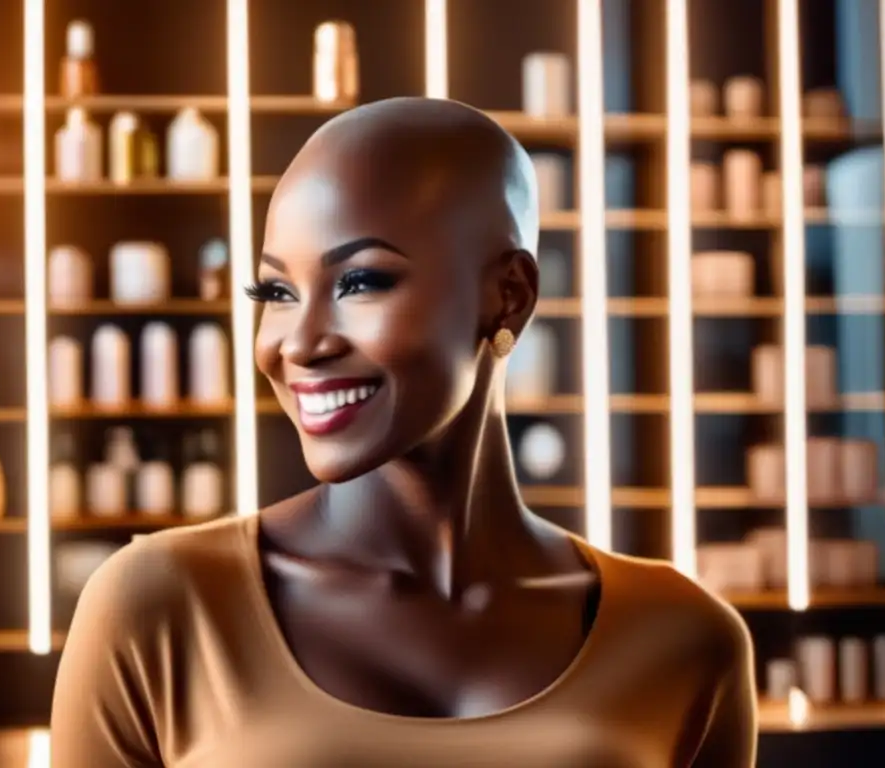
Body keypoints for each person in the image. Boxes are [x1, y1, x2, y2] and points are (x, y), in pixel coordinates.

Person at [51, 96, 757, 767]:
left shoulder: (686, 637)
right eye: (277, 293)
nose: (297, 343)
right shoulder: (158, 608)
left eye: (360, 282)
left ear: (508, 295)